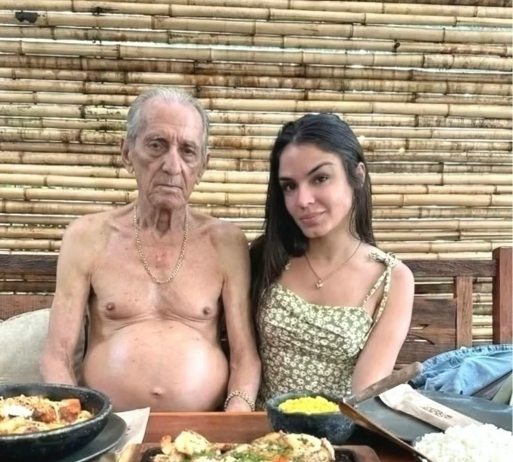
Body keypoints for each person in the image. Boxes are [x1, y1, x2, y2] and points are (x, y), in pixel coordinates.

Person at [40, 87, 261, 412]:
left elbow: (245, 358)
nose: (172, 165)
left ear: (202, 165)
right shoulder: (88, 237)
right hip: (109, 426)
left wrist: (233, 421)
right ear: (127, 152)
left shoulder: (226, 243)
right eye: (156, 145)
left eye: (187, 151)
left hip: (203, 430)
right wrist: (76, 424)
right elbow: (56, 355)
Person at [250, 113, 414, 409]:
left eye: (320, 178)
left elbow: (365, 394)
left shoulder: (391, 278)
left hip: (340, 430)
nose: (303, 200)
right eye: (289, 186)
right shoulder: (266, 257)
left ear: (358, 176)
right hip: (263, 428)